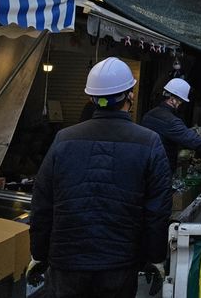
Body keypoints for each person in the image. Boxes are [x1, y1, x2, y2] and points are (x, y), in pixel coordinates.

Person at [28, 57, 172, 297]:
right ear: (130, 95)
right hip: (119, 265)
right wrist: (155, 257)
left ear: (91, 98)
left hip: (66, 265)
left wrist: (38, 254)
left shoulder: (63, 139)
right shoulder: (149, 142)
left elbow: (42, 203)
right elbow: (157, 210)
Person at [141, 77, 201, 175]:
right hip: (160, 169)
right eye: (180, 101)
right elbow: (191, 139)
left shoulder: (148, 115)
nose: (181, 104)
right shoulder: (171, 120)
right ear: (172, 100)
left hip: (144, 164)